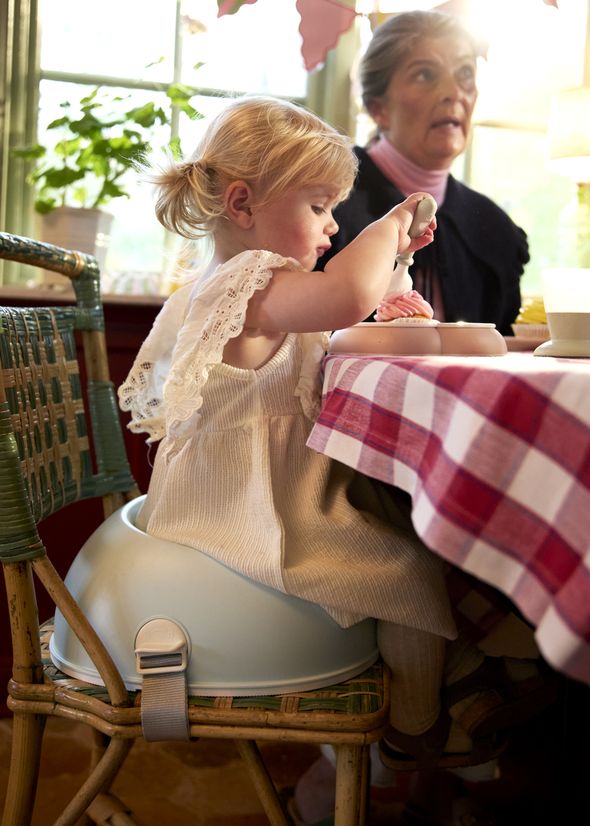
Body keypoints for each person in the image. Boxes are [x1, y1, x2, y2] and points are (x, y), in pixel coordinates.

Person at [119, 96, 549, 825]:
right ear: (244, 203)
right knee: (403, 568)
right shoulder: (246, 281)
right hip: (240, 513)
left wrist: (396, 266)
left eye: (337, 210)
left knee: (407, 526)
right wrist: (385, 228)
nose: (331, 225)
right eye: (319, 205)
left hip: (270, 493)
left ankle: (459, 679)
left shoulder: (253, 289)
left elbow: (347, 311)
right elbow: (349, 293)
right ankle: (416, 729)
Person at [317, 10, 530, 335]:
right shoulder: (321, 202)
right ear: (378, 108)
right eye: (425, 75)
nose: (453, 93)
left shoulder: (496, 230)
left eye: (465, 74)